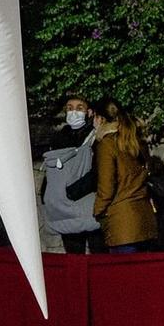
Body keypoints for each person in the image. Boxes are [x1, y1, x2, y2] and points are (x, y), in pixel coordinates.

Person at [39, 94, 103, 254]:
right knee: (73, 255)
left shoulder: (96, 136)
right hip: (64, 207)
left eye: (79, 108)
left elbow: (99, 171)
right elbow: (53, 170)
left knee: (98, 250)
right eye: (70, 108)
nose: (74, 112)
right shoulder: (59, 138)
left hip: (87, 201)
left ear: (89, 112)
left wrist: (74, 191)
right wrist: (47, 194)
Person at [92, 99, 157, 253]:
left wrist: (98, 211)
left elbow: (106, 187)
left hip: (122, 222)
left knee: (124, 274)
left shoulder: (107, 144)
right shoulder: (134, 140)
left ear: (100, 119)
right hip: (145, 218)